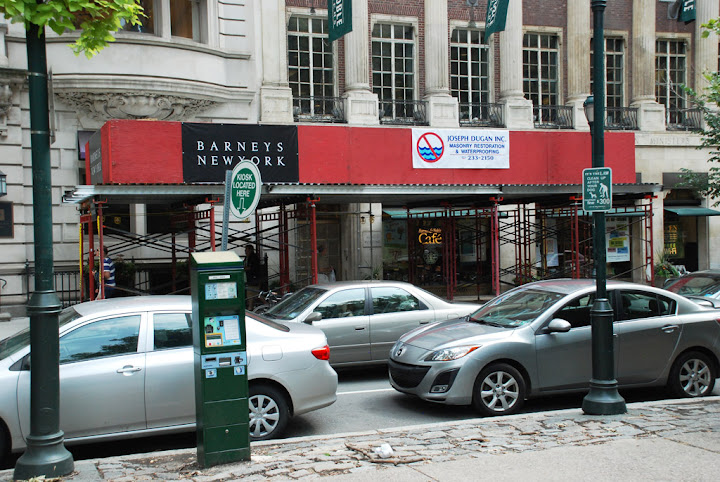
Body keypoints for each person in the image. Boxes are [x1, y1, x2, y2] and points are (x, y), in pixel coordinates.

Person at [244, 244, 261, 310]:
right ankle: (250, 307)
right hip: (251, 279)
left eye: (246, 250)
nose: (245, 251)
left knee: (251, 293)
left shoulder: (253, 258)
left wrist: (245, 268)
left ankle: (250, 307)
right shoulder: (247, 258)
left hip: (253, 279)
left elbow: (253, 268)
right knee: (254, 293)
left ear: (250, 250)